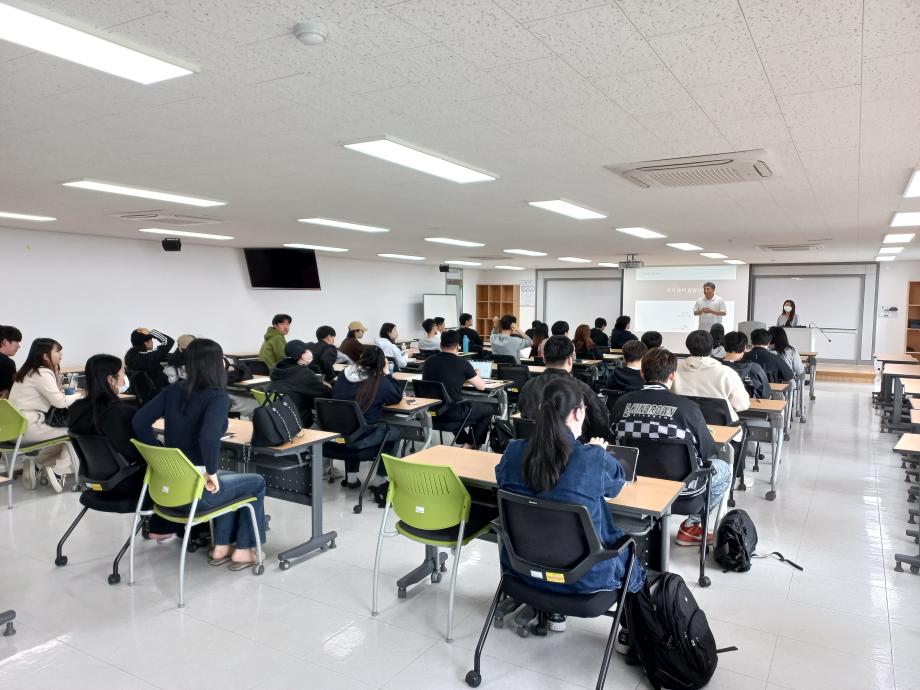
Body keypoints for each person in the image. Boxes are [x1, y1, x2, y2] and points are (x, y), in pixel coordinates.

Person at [496, 377, 645, 597]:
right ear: (578, 413)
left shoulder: (513, 451)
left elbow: (506, 480)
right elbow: (617, 485)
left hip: (522, 572)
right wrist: (599, 452)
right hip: (585, 580)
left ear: (541, 409)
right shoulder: (592, 458)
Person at [133, 338, 267, 570]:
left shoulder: (173, 390)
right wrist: (211, 473)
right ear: (216, 364)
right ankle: (244, 549)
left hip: (166, 492)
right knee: (256, 483)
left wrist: (159, 452)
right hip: (195, 495)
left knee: (226, 479)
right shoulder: (216, 396)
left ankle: (221, 547)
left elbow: (139, 421)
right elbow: (207, 438)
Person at [611, 348, 730, 546]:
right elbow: (708, 452)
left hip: (633, 484)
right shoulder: (687, 408)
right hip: (683, 491)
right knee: (724, 468)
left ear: (642, 373)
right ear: (673, 376)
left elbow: (613, 444)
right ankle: (692, 525)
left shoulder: (621, 403)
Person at [67, 354, 175, 540]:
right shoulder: (121, 412)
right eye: (123, 373)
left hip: (96, 483)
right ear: (111, 380)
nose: (125, 378)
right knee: (171, 468)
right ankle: (161, 528)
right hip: (126, 485)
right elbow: (142, 452)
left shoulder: (76, 409)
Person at [8, 338, 80, 492]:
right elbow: (60, 402)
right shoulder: (42, 373)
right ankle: (59, 471)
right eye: (58, 351)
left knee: (63, 437)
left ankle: (38, 464)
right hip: (28, 428)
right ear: (46, 356)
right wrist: (80, 395)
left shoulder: (27, 372)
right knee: (76, 432)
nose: (61, 355)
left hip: (12, 431)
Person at [332, 346, 402, 490]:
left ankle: (351, 477)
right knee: (394, 433)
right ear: (381, 363)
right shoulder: (378, 381)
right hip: (361, 439)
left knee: (354, 424)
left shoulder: (344, 375)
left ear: (362, 358)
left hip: (338, 436)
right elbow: (396, 396)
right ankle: (380, 479)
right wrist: (387, 373)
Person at [519, 336, 609, 440]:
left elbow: (524, 415)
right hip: (573, 447)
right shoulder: (581, 388)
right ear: (570, 360)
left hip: (534, 444)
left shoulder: (528, 386)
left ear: (544, 358)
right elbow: (601, 423)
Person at [422, 330, 493, 449]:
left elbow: (443, 378)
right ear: (458, 346)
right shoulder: (462, 363)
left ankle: (464, 440)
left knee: (459, 405)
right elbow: (481, 386)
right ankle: (469, 445)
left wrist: (462, 378)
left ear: (441, 345)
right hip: (451, 413)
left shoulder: (428, 361)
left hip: (430, 412)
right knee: (488, 409)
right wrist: (476, 375)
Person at [672, 330, 750, 421]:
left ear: (688, 346)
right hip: (722, 427)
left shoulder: (673, 371)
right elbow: (742, 405)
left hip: (684, 424)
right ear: (711, 346)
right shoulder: (728, 373)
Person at [269, 340, 328, 426]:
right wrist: (326, 385)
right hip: (298, 420)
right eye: (306, 350)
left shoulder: (277, 370)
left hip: (277, 417)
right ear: (303, 356)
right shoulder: (303, 373)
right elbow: (323, 393)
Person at [722, 331, 770, 400]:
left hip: (718, 405)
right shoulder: (755, 369)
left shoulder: (713, 366)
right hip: (748, 405)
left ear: (724, 346)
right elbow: (766, 394)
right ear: (745, 348)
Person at [125, 328, 175, 393]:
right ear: (146, 343)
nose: (152, 342)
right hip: (160, 393)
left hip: (143, 394)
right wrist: (151, 332)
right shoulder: (149, 356)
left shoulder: (130, 356)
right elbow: (169, 341)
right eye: (151, 340)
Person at [0, 325, 22, 398]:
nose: (18, 346)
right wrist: (8, 390)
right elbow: (12, 389)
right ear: (5, 342)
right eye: (17, 342)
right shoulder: (7, 363)